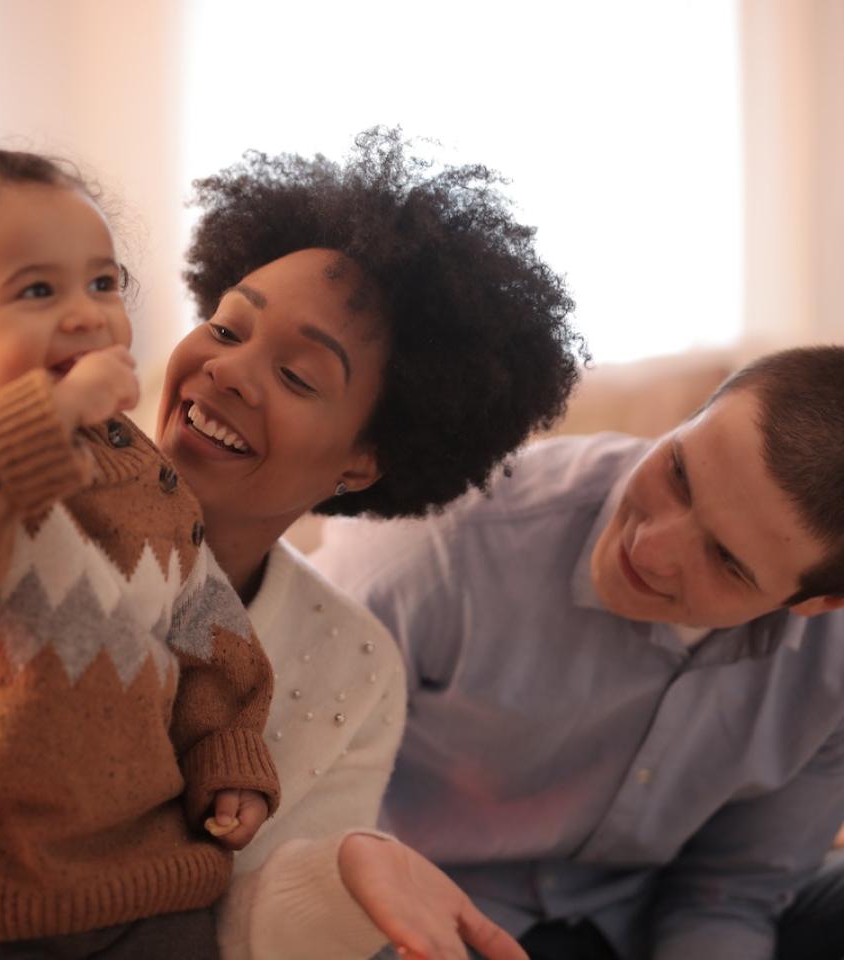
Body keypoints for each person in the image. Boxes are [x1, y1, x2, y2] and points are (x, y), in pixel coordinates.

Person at [154, 126, 585, 960]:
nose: (230, 373)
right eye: (228, 327)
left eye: (297, 377)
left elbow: (244, 932)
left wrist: (349, 874)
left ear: (364, 460)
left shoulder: (354, 666)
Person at [0, 123, 279, 958]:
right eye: (36, 292)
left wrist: (228, 755)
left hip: (158, 885)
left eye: (102, 283)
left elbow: (206, 629)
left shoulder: (147, 473)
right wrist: (55, 411)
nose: (87, 316)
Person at [312, 344, 844, 960]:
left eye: (726, 562)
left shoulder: (830, 665)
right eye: (678, 473)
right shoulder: (441, 545)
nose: (649, 549)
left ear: (818, 601)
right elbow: (291, 817)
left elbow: (728, 894)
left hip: (640, 912)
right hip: (435, 913)